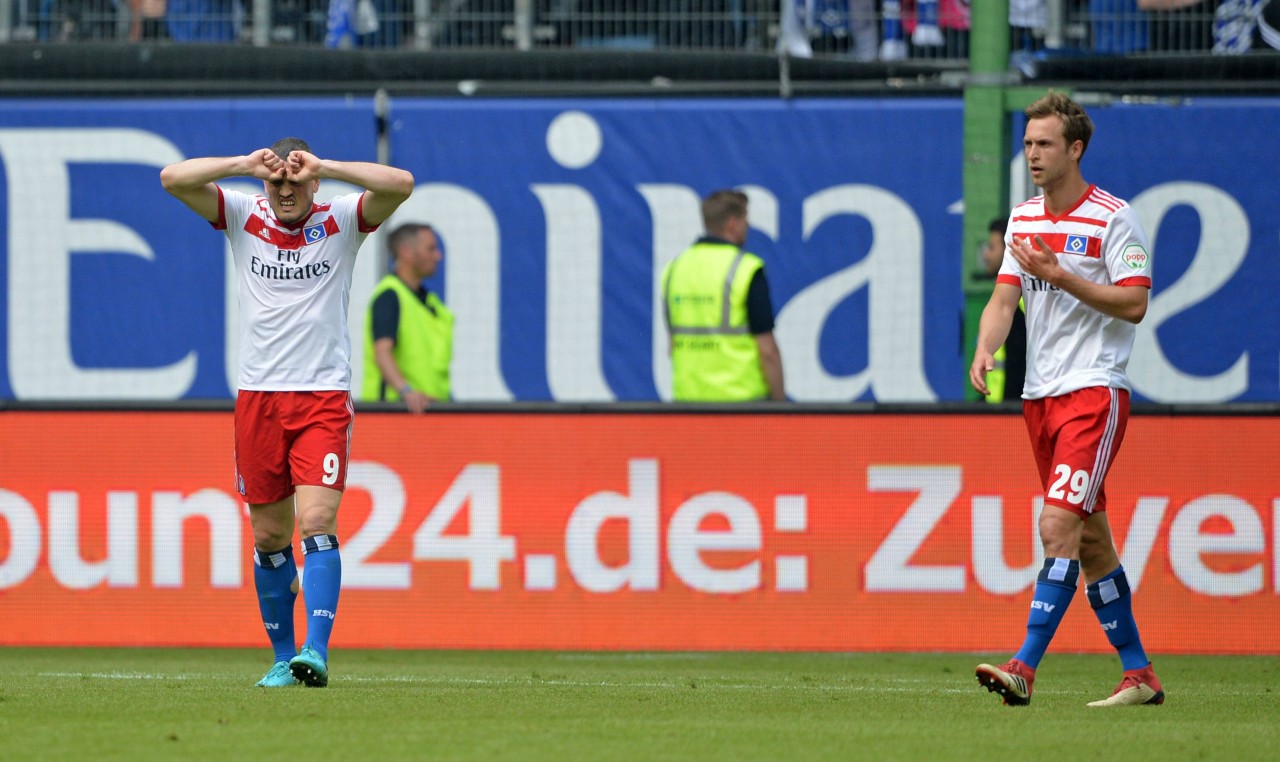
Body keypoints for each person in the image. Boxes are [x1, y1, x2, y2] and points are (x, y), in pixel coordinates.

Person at [160, 138, 413, 688]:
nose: (285, 192)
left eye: (297, 182)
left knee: (318, 523)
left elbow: (401, 183)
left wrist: (328, 164)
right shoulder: (243, 214)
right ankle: (281, 658)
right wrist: (243, 166)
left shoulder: (342, 217)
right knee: (269, 538)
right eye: (276, 183)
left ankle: (314, 652)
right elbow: (172, 178)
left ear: (314, 184)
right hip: (258, 397)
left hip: (321, 396)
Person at [969, 91, 1163, 708]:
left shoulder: (1113, 218)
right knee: (1090, 542)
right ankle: (1139, 674)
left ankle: (1023, 666)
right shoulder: (1023, 219)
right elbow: (1005, 299)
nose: (1032, 153)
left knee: (1055, 524)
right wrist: (986, 348)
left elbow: (1134, 303)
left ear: (1074, 149)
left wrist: (1061, 278)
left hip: (1094, 390)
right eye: (1027, 143)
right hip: (1039, 396)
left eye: (1044, 143)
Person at [662, 189, 785, 402]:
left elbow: (672, 345)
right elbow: (767, 350)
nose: (748, 226)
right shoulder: (746, 269)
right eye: (746, 219)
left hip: (687, 406)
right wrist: (780, 405)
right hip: (741, 405)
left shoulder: (675, 269)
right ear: (733, 223)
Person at [360, 223, 453, 412]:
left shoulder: (430, 303)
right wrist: (407, 391)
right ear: (406, 252)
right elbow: (382, 352)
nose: (438, 256)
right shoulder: (389, 296)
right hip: (393, 414)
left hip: (428, 412)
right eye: (431, 249)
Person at [979, 216, 1026, 404]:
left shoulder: (1020, 305)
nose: (985, 255)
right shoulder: (1001, 298)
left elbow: (1019, 366)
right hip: (998, 410)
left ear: (1008, 250)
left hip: (1014, 412)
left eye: (991, 247)